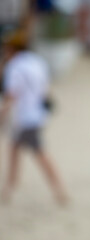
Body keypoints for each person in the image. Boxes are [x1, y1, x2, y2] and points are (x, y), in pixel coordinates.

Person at [0, 30, 67, 204]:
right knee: (14, 148)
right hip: (38, 114)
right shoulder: (37, 61)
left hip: (26, 118)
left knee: (40, 154)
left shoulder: (14, 66)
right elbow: (45, 88)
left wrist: (2, 114)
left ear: (12, 49)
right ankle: (9, 188)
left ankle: (59, 190)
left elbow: (11, 95)